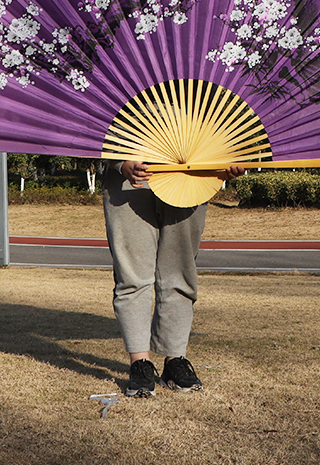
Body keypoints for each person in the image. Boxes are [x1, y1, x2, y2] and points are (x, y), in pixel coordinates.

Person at [103, 159, 245, 397]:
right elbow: (96, 127)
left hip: (192, 176)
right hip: (129, 181)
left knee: (180, 272)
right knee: (132, 276)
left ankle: (175, 359)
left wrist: (225, 163)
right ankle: (140, 363)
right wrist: (121, 163)